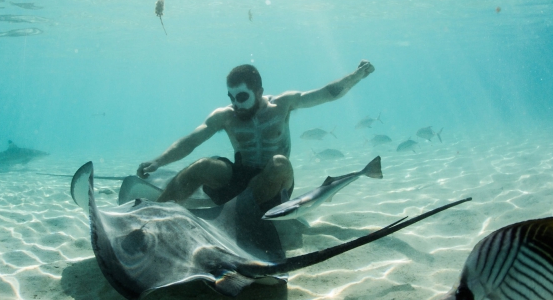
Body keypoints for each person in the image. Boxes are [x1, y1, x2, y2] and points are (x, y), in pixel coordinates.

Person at [137, 60, 376, 211]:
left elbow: (328, 93)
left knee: (280, 164)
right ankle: (154, 215)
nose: (236, 104)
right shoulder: (226, 115)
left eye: (241, 97)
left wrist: (357, 75)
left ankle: (235, 221)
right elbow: (191, 141)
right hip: (239, 181)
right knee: (203, 165)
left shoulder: (283, 105)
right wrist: (158, 161)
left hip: (273, 188)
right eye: (231, 97)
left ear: (259, 91)